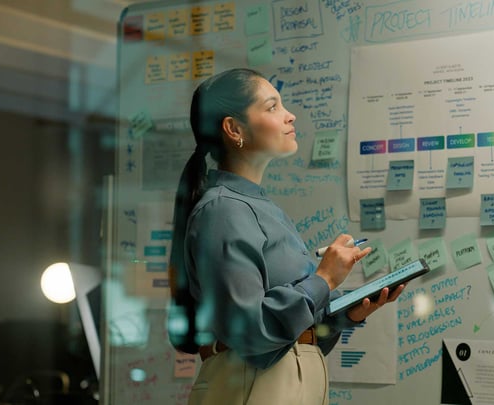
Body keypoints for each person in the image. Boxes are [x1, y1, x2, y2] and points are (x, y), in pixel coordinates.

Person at [168, 67, 406, 405]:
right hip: (254, 386)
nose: (289, 115)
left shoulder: (260, 207)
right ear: (234, 129)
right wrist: (323, 278)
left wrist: (344, 314)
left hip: (288, 382)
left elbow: (288, 334)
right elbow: (249, 331)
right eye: (272, 107)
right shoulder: (222, 211)